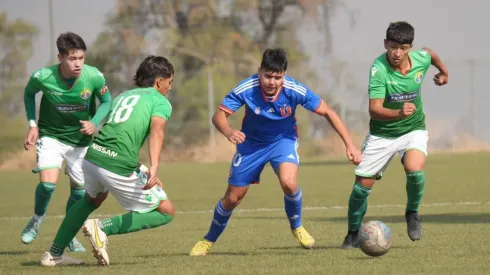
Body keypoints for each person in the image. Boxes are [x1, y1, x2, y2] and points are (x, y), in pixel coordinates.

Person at [189, 48, 361, 256]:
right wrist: (228, 131)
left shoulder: (294, 90)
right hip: (251, 145)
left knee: (289, 182)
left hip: (283, 141)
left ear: (284, 75)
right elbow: (219, 116)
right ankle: (208, 240)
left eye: (277, 77)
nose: (272, 82)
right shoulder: (247, 87)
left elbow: (328, 112)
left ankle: (297, 227)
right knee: (233, 198)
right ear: (259, 71)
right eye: (268, 76)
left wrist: (349, 144)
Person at [39, 55, 175, 267]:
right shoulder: (160, 101)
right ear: (159, 81)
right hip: (116, 162)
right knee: (166, 212)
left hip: (93, 156)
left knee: (91, 200)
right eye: (170, 82)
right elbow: (157, 131)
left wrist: (142, 168)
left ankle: (54, 254)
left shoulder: (124, 96)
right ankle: (102, 227)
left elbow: (116, 134)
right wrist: (155, 167)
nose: (170, 87)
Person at [340, 21, 449, 249]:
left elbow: (431, 54)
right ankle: (352, 234)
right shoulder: (378, 69)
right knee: (361, 188)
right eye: (392, 47)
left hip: (413, 129)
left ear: (410, 47)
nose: (397, 53)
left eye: (403, 47)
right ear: (385, 44)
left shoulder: (421, 58)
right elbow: (374, 109)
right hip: (383, 133)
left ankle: (412, 213)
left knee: (414, 170)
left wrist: (444, 73)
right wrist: (399, 112)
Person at [22, 32, 112, 252]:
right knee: (47, 185)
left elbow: (107, 101)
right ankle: (37, 219)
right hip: (51, 136)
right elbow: (28, 94)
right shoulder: (42, 76)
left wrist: (94, 122)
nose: (78, 63)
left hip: (81, 141)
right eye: (73, 59)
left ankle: (68, 233)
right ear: (60, 57)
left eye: (81, 58)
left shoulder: (93, 76)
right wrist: (33, 124)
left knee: (80, 193)